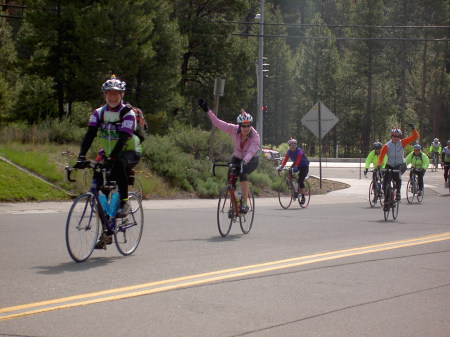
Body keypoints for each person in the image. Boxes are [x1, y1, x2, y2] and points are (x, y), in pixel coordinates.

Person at [74, 75, 142, 221]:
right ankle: (106, 228)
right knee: (99, 181)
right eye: (109, 94)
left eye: (116, 94)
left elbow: (123, 138)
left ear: (122, 95)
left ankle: (124, 203)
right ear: (105, 95)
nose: (113, 97)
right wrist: (81, 156)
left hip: (130, 151)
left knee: (119, 165)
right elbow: (89, 135)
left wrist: (112, 158)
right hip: (109, 152)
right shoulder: (98, 113)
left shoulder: (127, 113)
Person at [198, 98, 259, 214]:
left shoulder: (255, 136)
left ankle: (245, 204)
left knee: (242, 173)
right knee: (230, 179)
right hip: (237, 157)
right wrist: (206, 109)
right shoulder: (233, 129)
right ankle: (234, 205)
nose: (246, 128)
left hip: (251, 160)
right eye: (243, 126)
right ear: (239, 125)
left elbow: (251, 151)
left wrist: (245, 161)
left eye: (248, 126)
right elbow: (217, 123)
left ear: (250, 125)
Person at [377, 124, 418, 207]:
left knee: (397, 176)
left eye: (398, 137)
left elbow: (415, 137)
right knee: (385, 183)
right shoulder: (387, 146)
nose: (396, 138)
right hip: (390, 165)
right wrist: (378, 166)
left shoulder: (402, 142)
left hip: (400, 164)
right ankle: (388, 200)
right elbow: (381, 157)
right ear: (391, 137)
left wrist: (413, 129)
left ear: (400, 137)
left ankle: (398, 193)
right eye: (394, 136)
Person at [277, 138, 310, 205]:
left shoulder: (299, 151)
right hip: (297, 164)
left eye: (294, 145)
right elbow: (285, 160)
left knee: (300, 180)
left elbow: (298, 160)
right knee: (289, 172)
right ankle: (294, 189)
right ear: (289, 146)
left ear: (296, 145)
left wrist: (295, 167)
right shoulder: (289, 152)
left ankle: (303, 197)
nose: (292, 146)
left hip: (304, 165)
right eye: (291, 145)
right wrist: (281, 167)